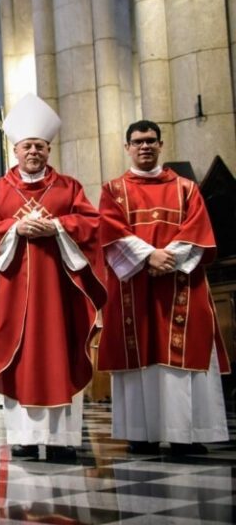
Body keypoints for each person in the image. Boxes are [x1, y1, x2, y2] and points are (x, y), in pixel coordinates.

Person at [0, 94, 106, 461]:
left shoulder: (69, 187)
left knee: (60, 356)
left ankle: (62, 440)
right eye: (27, 145)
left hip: (60, 294)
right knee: (21, 360)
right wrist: (16, 228)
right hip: (15, 296)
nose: (34, 151)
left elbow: (91, 224)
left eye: (40, 146)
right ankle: (25, 438)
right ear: (15, 150)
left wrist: (57, 227)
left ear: (49, 149)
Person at [97, 119, 230, 456]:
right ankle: (141, 434)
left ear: (160, 145)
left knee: (183, 356)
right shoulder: (113, 190)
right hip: (135, 289)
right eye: (138, 141)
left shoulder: (186, 188)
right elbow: (110, 231)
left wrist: (167, 258)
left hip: (181, 283)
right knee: (140, 355)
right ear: (127, 147)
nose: (145, 146)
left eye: (151, 140)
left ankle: (186, 434)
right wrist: (148, 257)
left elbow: (198, 228)